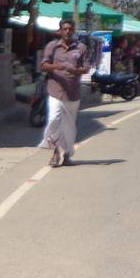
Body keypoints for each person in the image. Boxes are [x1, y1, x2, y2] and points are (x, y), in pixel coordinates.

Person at [39, 16, 90, 166]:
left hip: (73, 93)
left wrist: (75, 70)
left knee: (69, 126)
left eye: (70, 29)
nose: (67, 31)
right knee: (54, 120)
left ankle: (67, 155)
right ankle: (55, 153)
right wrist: (57, 67)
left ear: (74, 31)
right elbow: (43, 65)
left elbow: (87, 67)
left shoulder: (81, 48)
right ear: (60, 31)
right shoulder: (52, 46)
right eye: (65, 29)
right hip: (55, 90)